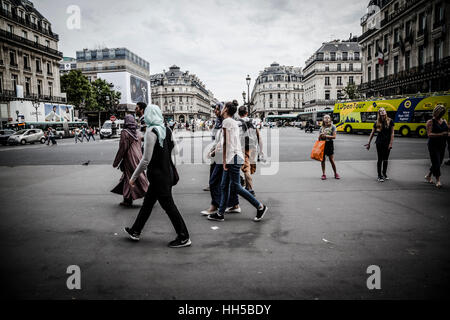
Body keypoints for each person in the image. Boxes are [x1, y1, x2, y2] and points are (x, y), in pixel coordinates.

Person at [124, 104, 191, 248]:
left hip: (157, 175)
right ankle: (136, 230)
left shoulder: (151, 131)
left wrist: (134, 177)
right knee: (147, 204)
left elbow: (145, 159)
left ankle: (184, 236)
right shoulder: (166, 129)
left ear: (148, 115)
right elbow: (176, 150)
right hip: (166, 173)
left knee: (169, 206)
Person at [207, 100, 268, 223]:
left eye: (223, 107)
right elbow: (226, 142)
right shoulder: (233, 122)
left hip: (232, 158)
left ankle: (260, 207)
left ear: (226, 110)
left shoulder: (226, 121)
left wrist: (224, 162)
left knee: (237, 187)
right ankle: (220, 213)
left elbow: (227, 144)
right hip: (236, 156)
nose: (221, 108)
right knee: (224, 185)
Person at [201, 103, 240, 216]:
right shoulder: (219, 122)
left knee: (214, 181)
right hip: (222, 154)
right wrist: (213, 149)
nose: (216, 111)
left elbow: (224, 141)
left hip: (223, 155)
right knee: (227, 183)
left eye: (218, 109)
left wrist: (215, 151)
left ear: (224, 109)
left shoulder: (225, 121)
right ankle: (233, 205)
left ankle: (215, 206)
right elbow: (218, 140)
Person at [112, 115, 149, 207]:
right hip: (139, 157)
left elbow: (122, 149)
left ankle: (150, 194)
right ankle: (127, 199)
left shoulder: (125, 132)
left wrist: (116, 162)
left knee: (137, 177)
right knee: (130, 177)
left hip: (130, 158)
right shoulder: (138, 132)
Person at [238, 106, 264, 195]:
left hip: (243, 148)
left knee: (246, 169)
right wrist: (261, 150)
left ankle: (250, 189)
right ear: (247, 113)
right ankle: (247, 186)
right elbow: (259, 137)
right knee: (250, 168)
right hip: (253, 147)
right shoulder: (253, 121)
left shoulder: (237, 123)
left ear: (238, 113)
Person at [365, 108, 394, 182]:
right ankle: (379, 175)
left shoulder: (390, 121)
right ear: (379, 114)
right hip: (379, 143)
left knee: (386, 159)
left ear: (385, 112)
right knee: (380, 159)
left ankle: (384, 173)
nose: (382, 112)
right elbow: (372, 133)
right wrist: (368, 143)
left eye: (383, 111)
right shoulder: (377, 122)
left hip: (387, 143)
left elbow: (392, 133)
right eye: (380, 111)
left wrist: (391, 143)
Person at [424, 105, 448, 189]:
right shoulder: (430, 122)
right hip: (433, 145)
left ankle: (428, 176)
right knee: (437, 162)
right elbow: (429, 134)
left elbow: (447, 131)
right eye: (440, 113)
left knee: (438, 162)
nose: (441, 115)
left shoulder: (444, 121)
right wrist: (441, 134)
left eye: (442, 113)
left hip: (442, 144)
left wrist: (447, 134)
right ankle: (438, 180)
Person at [319, 115, 340, 180]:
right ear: (323, 119)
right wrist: (321, 136)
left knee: (331, 159)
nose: (327, 119)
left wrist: (326, 136)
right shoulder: (321, 127)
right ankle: (323, 174)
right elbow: (319, 138)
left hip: (329, 144)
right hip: (322, 144)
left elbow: (334, 136)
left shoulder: (333, 126)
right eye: (325, 117)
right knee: (323, 160)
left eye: (328, 117)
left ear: (330, 119)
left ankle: (336, 173)